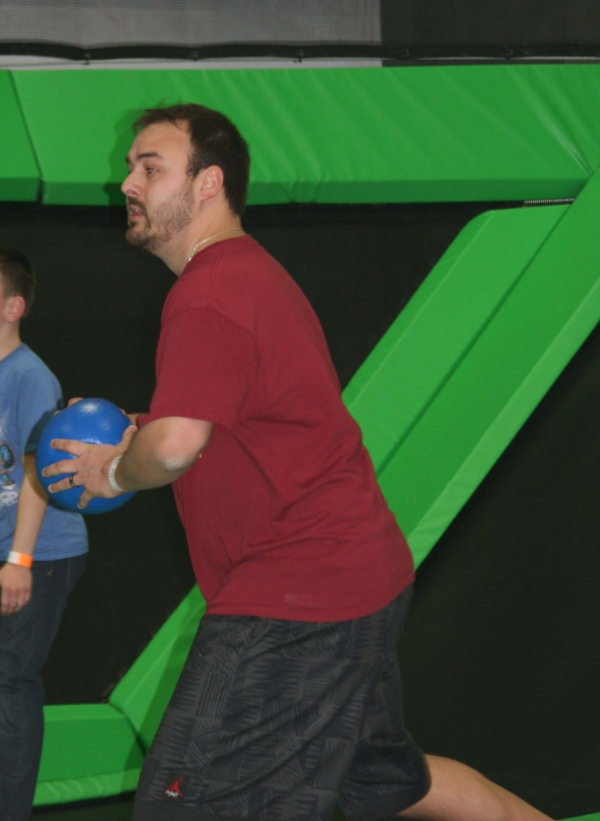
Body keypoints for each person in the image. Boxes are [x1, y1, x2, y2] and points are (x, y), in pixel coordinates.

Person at [42, 105, 552, 821]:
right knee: (387, 782)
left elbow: (182, 445)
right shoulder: (248, 275)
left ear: (209, 182)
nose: (126, 182)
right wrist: (146, 427)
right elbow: (245, 416)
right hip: (353, 579)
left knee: (188, 802)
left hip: (297, 599)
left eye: (149, 167)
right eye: (130, 166)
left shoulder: (209, 294)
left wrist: (117, 471)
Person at [0, 247, 88, 821]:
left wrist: (19, 560)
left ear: (14, 306)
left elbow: (38, 472)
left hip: (40, 551)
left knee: (10, 683)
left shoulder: (31, 376)